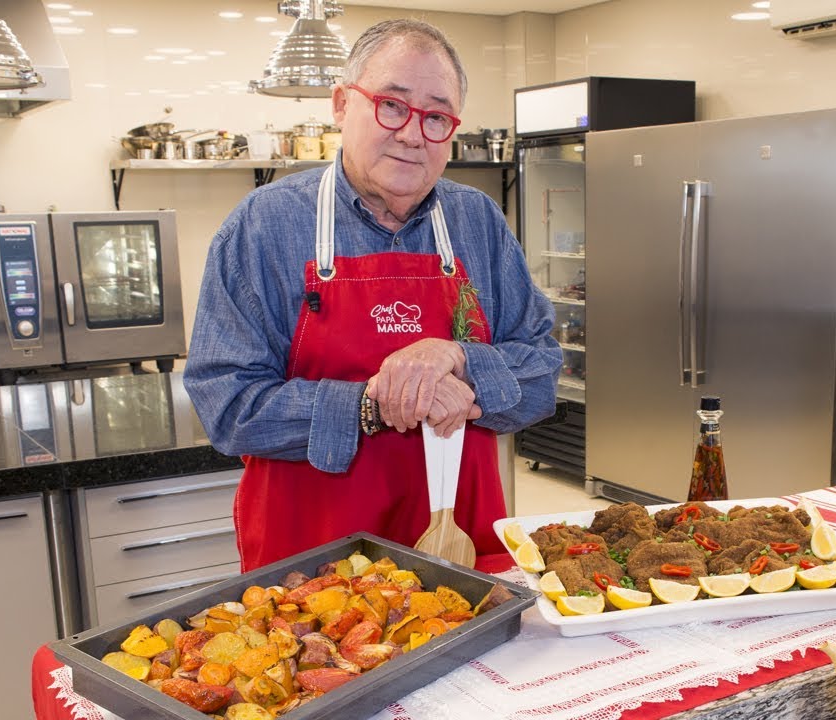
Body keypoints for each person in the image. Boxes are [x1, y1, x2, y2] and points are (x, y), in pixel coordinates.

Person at [184, 18, 562, 571]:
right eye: (392, 105)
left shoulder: (477, 220)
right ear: (341, 104)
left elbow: (543, 376)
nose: (413, 134)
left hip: (461, 551)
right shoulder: (263, 225)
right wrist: (375, 403)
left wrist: (456, 359)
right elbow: (228, 406)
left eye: (436, 117)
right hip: (313, 566)